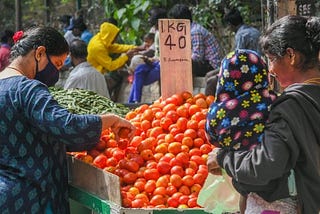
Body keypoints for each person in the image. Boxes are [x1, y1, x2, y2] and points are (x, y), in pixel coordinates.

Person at [0, 26, 135, 213]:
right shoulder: (29, 90)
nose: (56, 72)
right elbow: (68, 127)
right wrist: (109, 120)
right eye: (56, 64)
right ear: (39, 53)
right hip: (33, 197)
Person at [207, 15, 320, 214]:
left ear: (291, 56)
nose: (270, 70)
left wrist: (224, 157)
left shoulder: (289, 107)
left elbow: (264, 168)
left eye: (272, 59)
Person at [205, 49, 299, 213]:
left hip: (245, 180)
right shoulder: (275, 103)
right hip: (279, 186)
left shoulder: (219, 113)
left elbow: (212, 137)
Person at [87, 21, 141, 101]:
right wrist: (126, 56)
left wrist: (134, 47)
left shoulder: (102, 39)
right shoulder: (98, 47)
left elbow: (117, 47)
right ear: (109, 35)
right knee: (116, 77)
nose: (115, 39)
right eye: (114, 37)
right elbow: (111, 66)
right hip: (96, 74)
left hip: (100, 71)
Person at [168, 3, 223, 77]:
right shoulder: (188, 30)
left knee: (181, 64)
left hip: (212, 65)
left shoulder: (194, 31)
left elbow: (198, 56)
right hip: (204, 62)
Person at [127, 7, 166, 103]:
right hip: (155, 61)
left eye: (151, 17)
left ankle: (134, 102)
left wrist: (151, 59)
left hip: (163, 63)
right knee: (139, 71)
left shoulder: (163, 32)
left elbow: (165, 52)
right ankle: (134, 101)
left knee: (139, 76)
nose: (149, 19)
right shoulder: (154, 31)